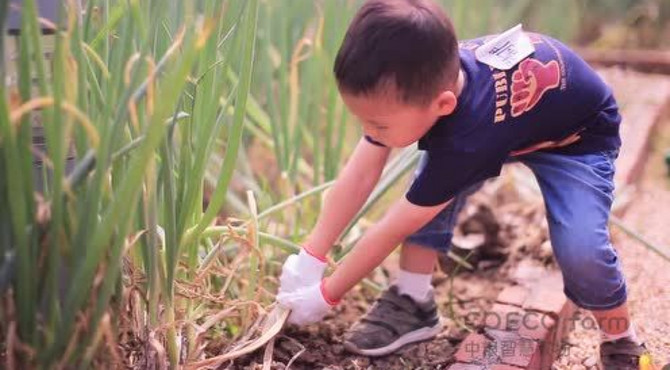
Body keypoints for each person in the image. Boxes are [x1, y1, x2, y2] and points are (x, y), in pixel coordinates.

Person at [276, 0, 647, 368]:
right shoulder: (417, 84)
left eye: (380, 127)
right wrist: (311, 256)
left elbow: (394, 226)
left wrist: (326, 296)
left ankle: (620, 337)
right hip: (514, 123)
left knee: (582, 251)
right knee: (432, 182)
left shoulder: (465, 139)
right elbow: (359, 174)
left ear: (443, 104)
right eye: (364, 121)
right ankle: (412, 301)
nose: (370, 134)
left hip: (575, 139)